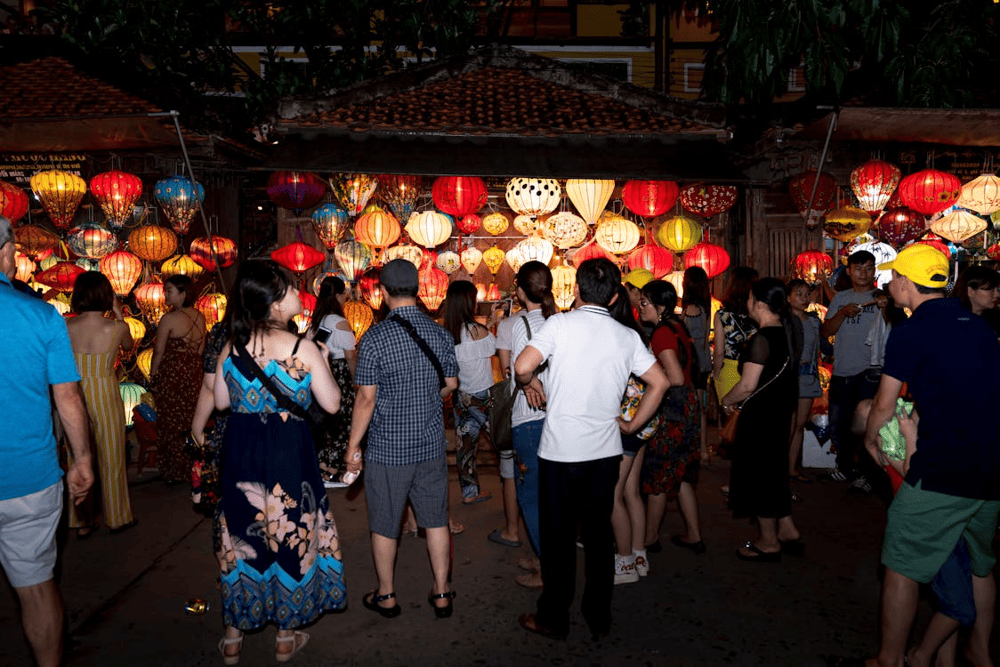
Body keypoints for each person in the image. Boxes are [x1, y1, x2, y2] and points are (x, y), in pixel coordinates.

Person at [514, 257, 669, 640]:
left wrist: (531, 381)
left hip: (560, 454)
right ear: (616, 294)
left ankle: (554, 617)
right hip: (604, 454)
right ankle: (598, 617)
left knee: (558, 539)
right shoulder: (627, 336)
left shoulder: (559, 325)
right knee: (600, 538)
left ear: (577, 290)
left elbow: (520, 367)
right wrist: (632, 424)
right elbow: (661, 383)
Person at [862, 244, 1000, 667]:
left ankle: (890, 659)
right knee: (980, 565)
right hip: (992, 469)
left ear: (906, 282)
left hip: (944, 469)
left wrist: (870, 439)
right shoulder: (978, 326)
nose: (888, 285)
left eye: (893, 278)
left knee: (902, 564)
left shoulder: (912, 330)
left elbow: (884, 404)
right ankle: (978, 650)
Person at [213, 260, 345, 664]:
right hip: (289, 449)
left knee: (242, 535)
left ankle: (234, 637)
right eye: (290, 289)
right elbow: (333, 403)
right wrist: (319, 359)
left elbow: (220, 401)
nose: (297, 295)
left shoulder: (232, 347)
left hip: (242, 450)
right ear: (273, 302)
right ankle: (285, 636)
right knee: (289, 528)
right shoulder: (300, 347)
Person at [0, 215, 94, 667]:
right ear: (6, 254)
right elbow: (68, 397)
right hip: (27, 478)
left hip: (28, 476)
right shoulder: (40, 317)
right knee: (36, 589)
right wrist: (83, 461)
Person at [344, 259, 460, 620]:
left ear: (382, 293)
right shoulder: (439, 332)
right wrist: (424, 394)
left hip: (387, 448)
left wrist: (352, 448)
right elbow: (451, 385)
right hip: (429, 444)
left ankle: (387, 595)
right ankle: (442, 593)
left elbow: (366, 397)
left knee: (384, 522)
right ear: (418, 289)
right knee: (436, 519)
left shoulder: (375, 338)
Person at [721, 278, 800, 562]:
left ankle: (768, 541)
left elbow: (747, 385)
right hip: (780, 415)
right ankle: (787, 529)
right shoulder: (790, 332)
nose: (747, 303)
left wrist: (726, 400)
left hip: (760, 418)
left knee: (759, 477)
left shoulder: (763, 339)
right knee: (775, 471)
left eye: (751, 298)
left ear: (760, 304)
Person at [65, 271, 136, 535]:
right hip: (104, 391)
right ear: (106, 295)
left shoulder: (65, 325)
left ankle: (81, 521)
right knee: (112, 456)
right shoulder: (118, 328)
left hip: (74, 393)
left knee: (77, 454)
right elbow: (128, 348)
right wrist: (118, 313)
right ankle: (117, 517)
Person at [639, 280, 705, 556]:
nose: (640, 308)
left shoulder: (661, 334)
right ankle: (693, 534)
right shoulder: (678, 326)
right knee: (681, 476)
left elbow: (674, 377)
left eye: (644, 303)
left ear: (661, 307)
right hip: (689, 403)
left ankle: (649, 538)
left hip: (672, 408)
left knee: (657, 477)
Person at [506, 261, 557, 589]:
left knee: (532, 497)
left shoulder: (515, 325)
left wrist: (527, 381)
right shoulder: (562, 322)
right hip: (557, 417)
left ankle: (548, 570)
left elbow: (514, 370)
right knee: (552, 495)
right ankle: (543, 557)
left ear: (521, 292)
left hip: (527, 418)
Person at [820, 250, 883, 495]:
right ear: (849, 271)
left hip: (871, 371)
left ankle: (867, 474)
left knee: (868, 426)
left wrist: (889, 308)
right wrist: (842, 313)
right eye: (858, 268)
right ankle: (845, 468)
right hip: (842, 370)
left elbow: (896, 326)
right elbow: (826, 331)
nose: (863, 273)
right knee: (840, 424)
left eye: (868, 268)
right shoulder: (840, 298)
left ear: (874, 270)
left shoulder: (882, 298)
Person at [609, 284, 660, 584]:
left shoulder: (616, 337)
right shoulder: (638, 333)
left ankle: (625, 563)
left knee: (612, 496)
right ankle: (639, 555)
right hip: (644, 422)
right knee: (631, 492)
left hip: (626, 422)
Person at [443, 279, 496, 505]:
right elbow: (493, 349)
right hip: (483, 396)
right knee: (503, 441)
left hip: (460, 396)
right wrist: (492, 324)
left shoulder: (447, 334)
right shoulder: (479, 330)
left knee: (465, 447)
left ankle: (470, 493)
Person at [151, 274, 206, 483]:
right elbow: (200, 349)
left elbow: (158, 352)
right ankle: (193, 470)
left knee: (171, 423)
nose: (165, 294)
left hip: (172, 375)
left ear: (183, 294)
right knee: (191, 422)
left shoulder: (169, 319)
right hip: (194, 374)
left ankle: (175, 472)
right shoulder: (199, 316)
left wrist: (153, 376)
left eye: (169, 291)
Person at [307, 275, 357, 485]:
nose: (345, 297)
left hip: (320, 374)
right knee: (343, 422)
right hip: (339, 372)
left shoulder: (315, 321)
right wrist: (356, 380)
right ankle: (331, 469)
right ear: (337, 295)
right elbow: (351, 355)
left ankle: (322, 466)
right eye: (343, 294)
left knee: (326, 422)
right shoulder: (339, 322)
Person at [786, 279, 822, 483]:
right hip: (789, 376)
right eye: (799, 294)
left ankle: (791, 468)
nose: (804, 298)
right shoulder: (783, 321)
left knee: (799, 424)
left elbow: (819, 348)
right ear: (788, 297)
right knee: (788, 425)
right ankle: (780, 467)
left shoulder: (814, 321)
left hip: (808, 375)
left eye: (807, 294)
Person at [712, 266, 759, 402]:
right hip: (756, 370)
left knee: (730, 419)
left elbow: (719, 351)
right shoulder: (760, 312)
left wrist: (715, 374)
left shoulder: (722, 315)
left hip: (730, 369)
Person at [682, 266, 713, 460]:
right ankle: (703, 449)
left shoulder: (689, 308)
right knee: (701, 408)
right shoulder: (706, 306)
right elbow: (704, 339)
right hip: (704, 361)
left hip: (690, 362)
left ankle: (689, 447)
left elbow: (685, 338)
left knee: (689, 406)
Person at [951, 264, 1000, 338]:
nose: (997, 294)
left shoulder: (995, 320)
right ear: (971, 291)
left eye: (997, 289)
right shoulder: (952, 322)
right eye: (991, 289)